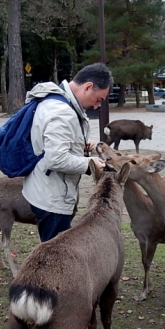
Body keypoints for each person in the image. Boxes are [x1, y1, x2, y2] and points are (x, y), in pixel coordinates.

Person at [22, 62, 110, 242]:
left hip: (48, 189)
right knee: (55, 261)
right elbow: (56, 159)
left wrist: (80, 147)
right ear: (88, 87)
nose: (96, 106)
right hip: (52, 197)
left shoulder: (61, 102)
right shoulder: (62, 112)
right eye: (99, 99)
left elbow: (54, 144)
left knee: (54, 252)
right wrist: (89, 163)